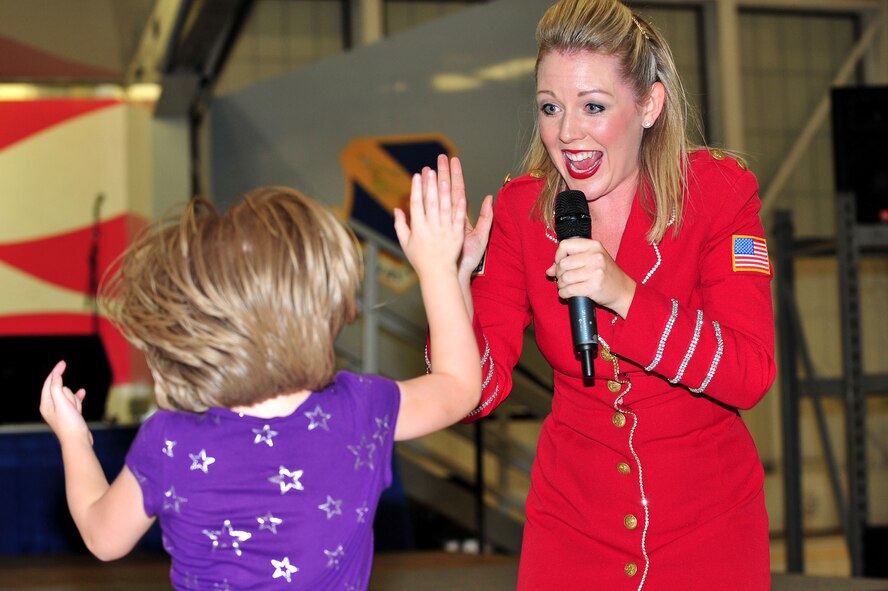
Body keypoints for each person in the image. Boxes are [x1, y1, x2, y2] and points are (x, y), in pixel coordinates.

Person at [435, 0, 777, 589]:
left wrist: (625, 294)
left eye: (593, 106)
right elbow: (473, 395)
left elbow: (749, 372)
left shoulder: (719, 192)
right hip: (569, 529)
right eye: (550, 107)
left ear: (649, 104)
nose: (567, 133)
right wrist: (449, 285)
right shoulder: (520, 209)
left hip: (710, 531)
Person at [39, 171, 480, 591]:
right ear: (316, 314)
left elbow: (102, 538)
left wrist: (74, 438)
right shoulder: (358, 411)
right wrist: (443, 271)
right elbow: (458, 387)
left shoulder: (170, 439)